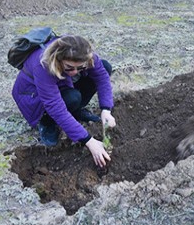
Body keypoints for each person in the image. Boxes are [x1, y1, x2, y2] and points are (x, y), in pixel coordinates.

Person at [12, 35, 116, 167]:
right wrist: (89, 141)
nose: (74, 72)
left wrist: (106, 109)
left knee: (105, 66)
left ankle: (75, 110)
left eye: (80, 68)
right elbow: (55, 106)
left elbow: (101, 77)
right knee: (72, 98)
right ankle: (46, 121)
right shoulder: (43, 65)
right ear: (59, 58)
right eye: (69, 67)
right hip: (33, 97)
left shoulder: (84, 54)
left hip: (62, 84)